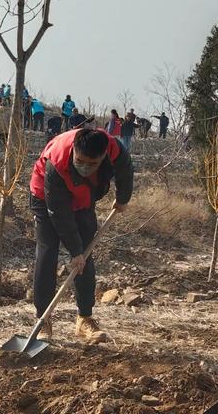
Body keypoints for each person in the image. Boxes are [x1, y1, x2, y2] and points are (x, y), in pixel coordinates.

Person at [30, 129, 133, 342]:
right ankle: (43, 319)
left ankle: (84, 318)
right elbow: (58, 212)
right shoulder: (56, 160)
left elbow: (125, 170)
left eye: (92, 164)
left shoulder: (114, 148)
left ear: (103, 156)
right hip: (46, 197)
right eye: (80, 161)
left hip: (83, 198)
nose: (85, 167)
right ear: (74, 151)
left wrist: (123, 198)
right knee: (48, 251)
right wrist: (73, 251)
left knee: (86, 256)